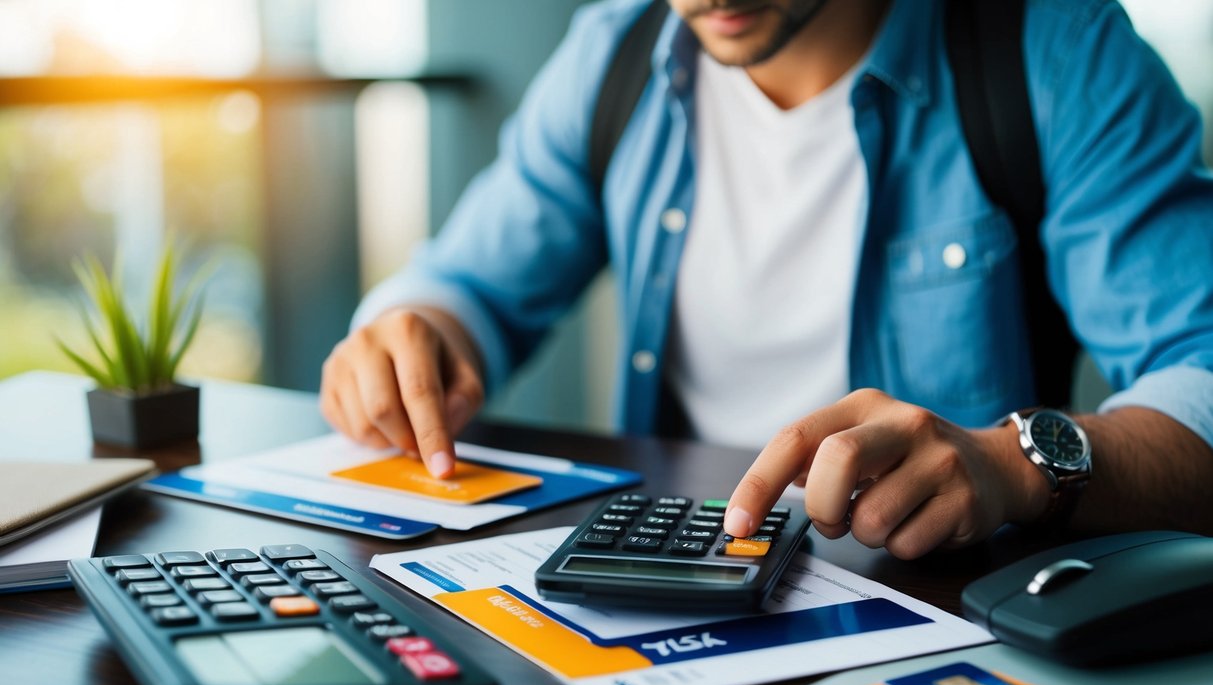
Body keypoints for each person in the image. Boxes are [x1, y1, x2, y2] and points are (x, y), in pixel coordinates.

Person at [320, 0, 1213, 559]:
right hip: (672, 600)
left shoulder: (1057, 50)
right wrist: (415, 327)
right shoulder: (615, 52)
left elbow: (1200, 373)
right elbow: (469, 279)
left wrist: (1013, 464)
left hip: (942, 630)